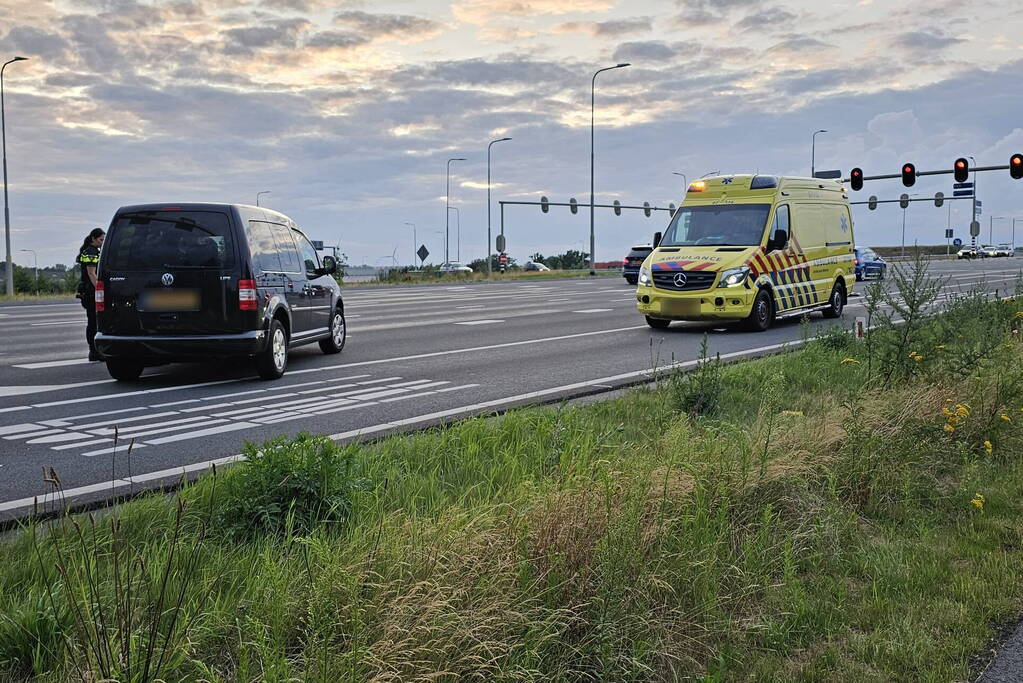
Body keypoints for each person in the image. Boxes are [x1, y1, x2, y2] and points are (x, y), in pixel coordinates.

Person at [76, 228, 105, 361]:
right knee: (94, 322)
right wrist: (100, 289)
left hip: (87, 291)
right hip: (91, 292)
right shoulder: (92, 252)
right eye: (101, 240)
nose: (102, 242)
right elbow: (91, 273)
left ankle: (94, 351)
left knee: (93, 321)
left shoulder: (89, 251)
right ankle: (94, 351)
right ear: (93, 238)